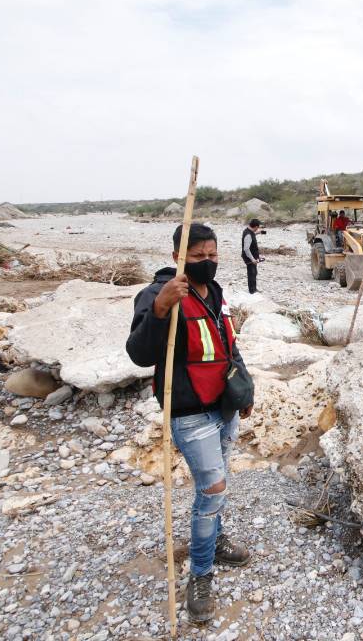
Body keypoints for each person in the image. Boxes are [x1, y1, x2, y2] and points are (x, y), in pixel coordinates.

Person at [126, 223, 254, 623]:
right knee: (212, 488)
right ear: (178, 257)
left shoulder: (214, 292)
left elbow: (227, 344)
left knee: (219, 482)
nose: (207, 263)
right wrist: (162, 308)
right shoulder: (157, 294)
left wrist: (243, 390)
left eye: (213, 255)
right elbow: (140, 354)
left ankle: (213, 541)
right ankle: (200, 573)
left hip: (224, 407)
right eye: (198, 257)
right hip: (189, 410)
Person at [242, 219, 264, 294]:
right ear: (256, 227)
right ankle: (252, 291)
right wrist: (252, 259)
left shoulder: (249, 231)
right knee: (251, 273)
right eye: (258, 227)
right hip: (249, 258)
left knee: (254, 272)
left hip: (252, 257)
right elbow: (246, 249)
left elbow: (252, 234)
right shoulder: (248, 235)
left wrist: (258, 233)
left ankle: (254, 289)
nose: (258, 228)